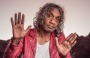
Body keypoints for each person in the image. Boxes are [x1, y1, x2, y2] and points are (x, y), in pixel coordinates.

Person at [3, 3, 77, 58]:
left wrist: (63, 56)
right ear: (41, 16)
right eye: (49, 16)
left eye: (57, 19)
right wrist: (15, 40)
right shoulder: (26, 36)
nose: (53, 21)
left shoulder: (60, 37)